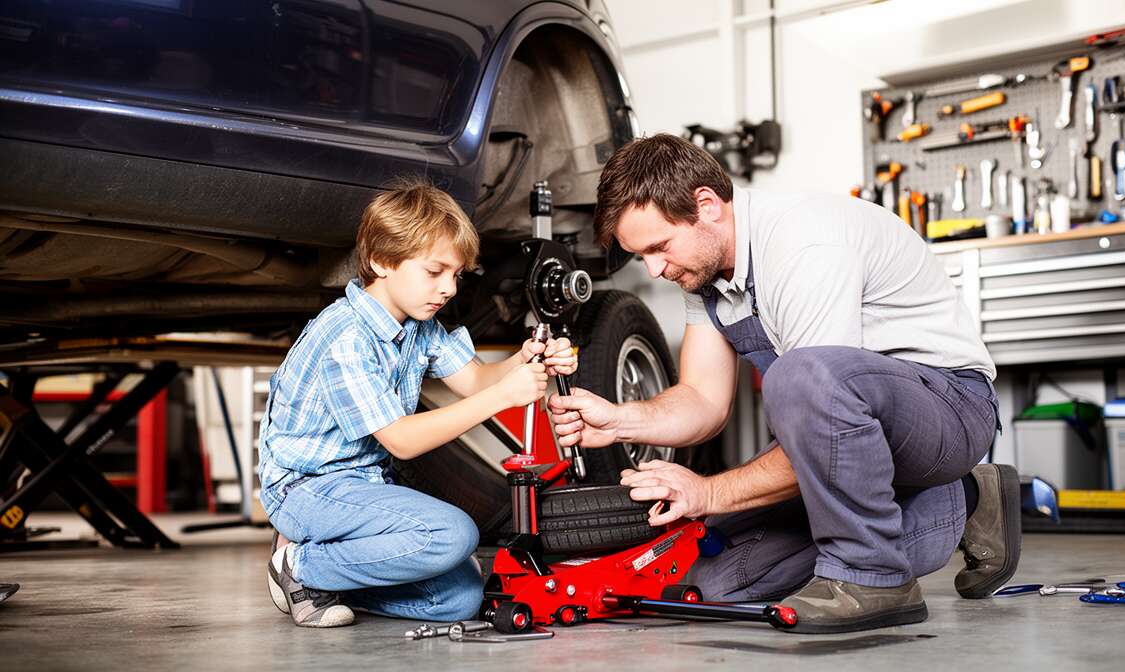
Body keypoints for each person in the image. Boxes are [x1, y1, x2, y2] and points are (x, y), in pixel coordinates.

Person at [549, 134, 1018, 634]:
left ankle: (881, 570)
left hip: (947, 410)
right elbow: (703, 399)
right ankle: (964, 502)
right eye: (642, 255)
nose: (655, 269)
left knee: (801, 376)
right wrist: (621, 421)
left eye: (659, 247)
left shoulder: (802, 243)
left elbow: (817, 397)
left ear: (705, 205)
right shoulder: (705, 272)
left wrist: (708, 492)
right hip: (849, 439)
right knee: (711, 582)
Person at [257, 180, 577, 627]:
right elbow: (403, 441)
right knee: (452, 534)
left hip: (366, 486)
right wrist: (503, 397)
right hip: (307, 490)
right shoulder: (345, 337)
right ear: (380, 262)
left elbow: (473, 381)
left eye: (456, 276)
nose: (447, 288)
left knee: (459, 597)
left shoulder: (419, 323)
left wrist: (523, 360)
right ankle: (299, 568)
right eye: (434, 272)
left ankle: (330, 582)